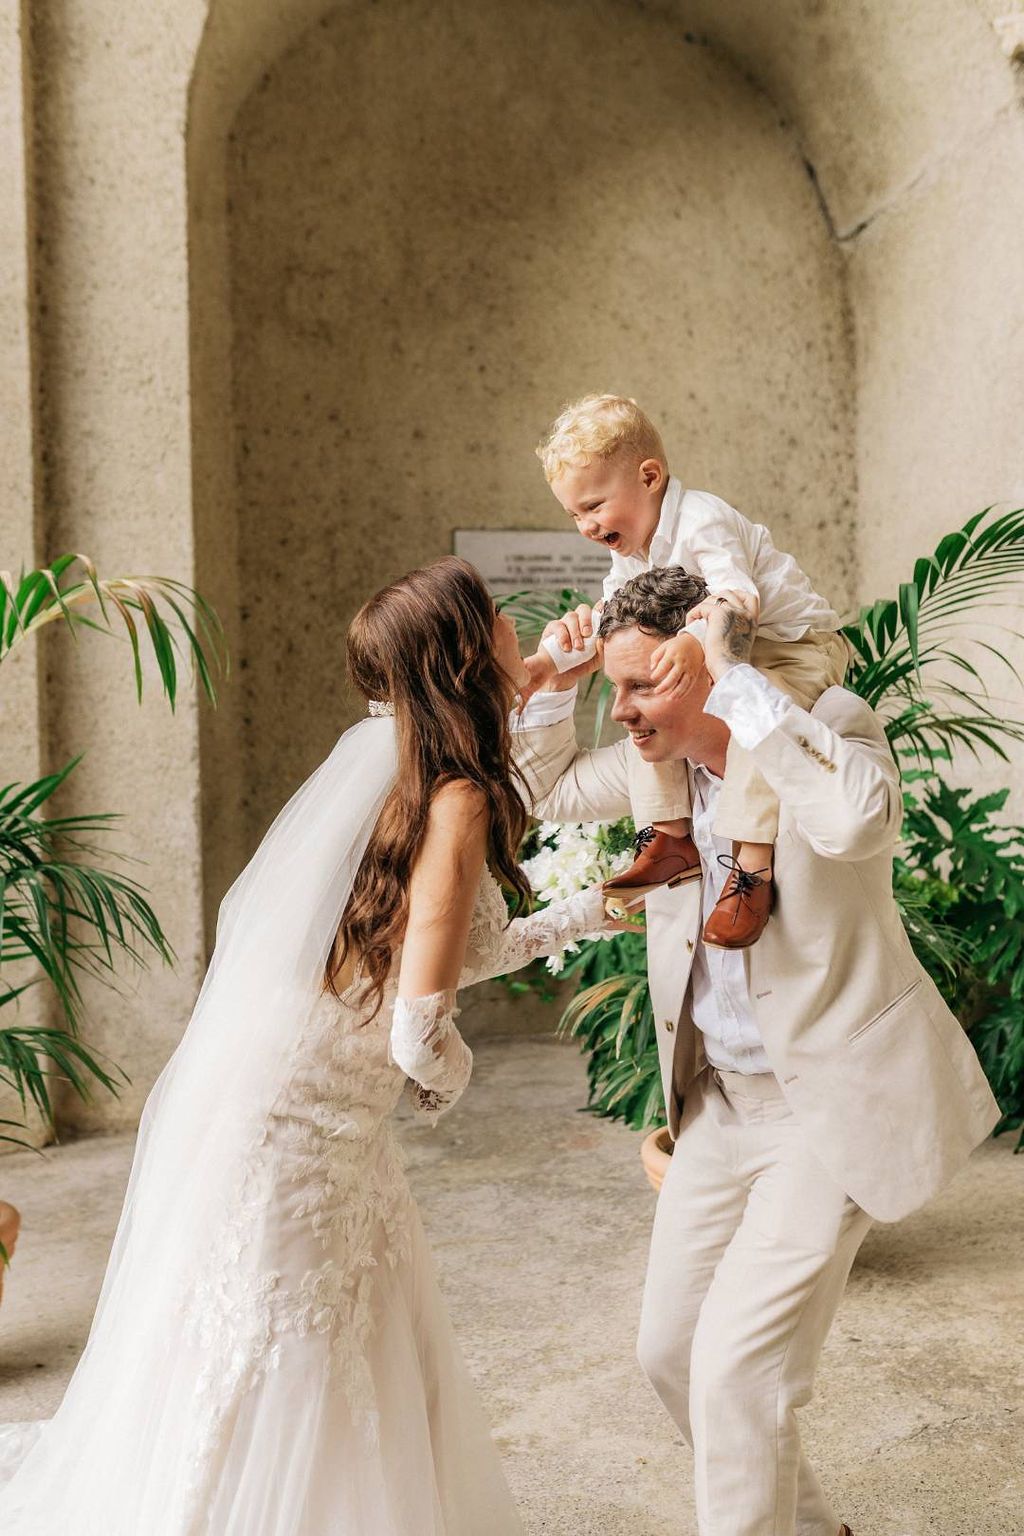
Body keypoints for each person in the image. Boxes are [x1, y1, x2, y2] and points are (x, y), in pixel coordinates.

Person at [0, 556, 613, 1536]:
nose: (516, 626)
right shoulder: (451, 794)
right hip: (309, 1130)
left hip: (299, 1107)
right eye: (498, 616)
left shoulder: (397, 758)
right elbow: (420, 1026)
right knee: (291, 1342)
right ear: (466, 654)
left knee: (297, 1327)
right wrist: (444, 1082)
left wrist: (597, 904)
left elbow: (458, 943)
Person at [513, 567, 1000, 1536]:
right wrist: (560, 687)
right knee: (670, 1352)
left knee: (738, 1375)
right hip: (718, 1105)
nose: (625, 710)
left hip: (824, 1103)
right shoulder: (655, 769)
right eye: (616, 687)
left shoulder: (825, 723)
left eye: (644, 684)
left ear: (701, 664)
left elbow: (858, 819)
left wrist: (739, 681)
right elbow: (544, 790)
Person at [526, 393, 847, 948]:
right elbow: (612, 617)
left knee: (753, 717)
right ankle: (670, 838)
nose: (585, 525)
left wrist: (696, 645)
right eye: (574, 514)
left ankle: (752, 867)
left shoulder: (702, 519)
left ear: (649, 477)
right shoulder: (630, 549)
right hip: (727, 649)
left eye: (594, 506)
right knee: (653, 714)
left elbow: (739, 599)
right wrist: (547, 662)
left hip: (792, 645)